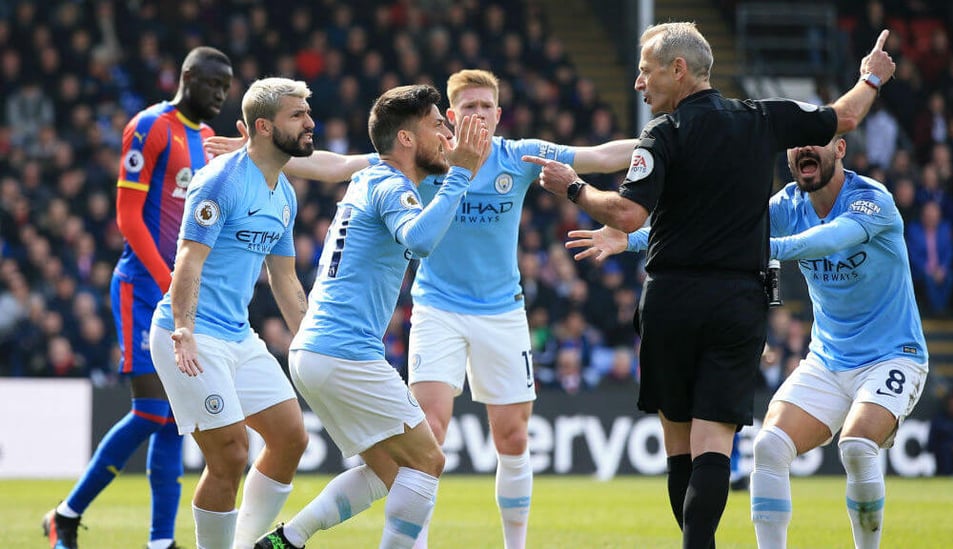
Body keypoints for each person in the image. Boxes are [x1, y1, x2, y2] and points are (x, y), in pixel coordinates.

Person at [523, 22, 896, 548]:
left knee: (680, 446)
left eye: (646, 71)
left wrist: (575, 188)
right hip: (738, 303)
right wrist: (872, 77)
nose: (637, 83)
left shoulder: (664, 134)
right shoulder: (763, 118)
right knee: (714, 444)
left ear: (678, 70)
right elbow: (849, 114)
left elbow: (628, 212)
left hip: (673, 298)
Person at [250, 68, 636, 549]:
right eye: (461, 111)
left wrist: (659, 143)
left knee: (416, 461)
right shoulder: (418, 172)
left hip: (488, 313)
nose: (474, 118)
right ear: (449, 120)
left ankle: (287, 538)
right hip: (417, 317)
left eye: (485, 106)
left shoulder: (506, 157)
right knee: (427, 456)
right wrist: (260, 156)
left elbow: (599, 157)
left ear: (499, 114)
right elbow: (407, 228)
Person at [567, 134, 928, 549]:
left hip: (892, 356)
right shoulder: (788, 204)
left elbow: (826, 241)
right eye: (797, 144)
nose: (804, 149)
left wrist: (749, 248)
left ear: (840, 149)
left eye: (818, 142)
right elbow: (709, 228)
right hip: (829, 359)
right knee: (770, 447)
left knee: (858, 444)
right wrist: (629, 239)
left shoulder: (871, 200)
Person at [253, 84, 489, 549]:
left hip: (318, 352)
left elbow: (336, 165)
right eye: (437, 123)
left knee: (390, 473)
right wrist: (461, 171)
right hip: (344, 352)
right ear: (405, 138)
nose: (446, 132)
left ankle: (287, 540)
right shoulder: (387, 185)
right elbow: (419, 241)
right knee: (428, 462)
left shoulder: (369, 176)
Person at [43, 46, 233, 549]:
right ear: (187, 77)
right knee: (152, 412)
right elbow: (128, 216)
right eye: (213, 84)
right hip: (142, 289)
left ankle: (159, 541)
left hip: (179, 297)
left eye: (226, 88)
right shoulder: (149, 127)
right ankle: (65, 514)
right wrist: (169, 276)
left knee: (173, 421)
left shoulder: (209, 140)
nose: (220, 95)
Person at [148, 77, 316, 549]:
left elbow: (284, 279)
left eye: (308, 113)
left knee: (290, 438)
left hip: (238, 337)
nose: (310, 122)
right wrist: (183, 329)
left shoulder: (283, 193)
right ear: (263, 127)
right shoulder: (221, 180)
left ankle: (243, 544)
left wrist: (308, 341)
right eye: (297, 115)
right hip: (192, 334)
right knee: (231, 455)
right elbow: (188, 260)